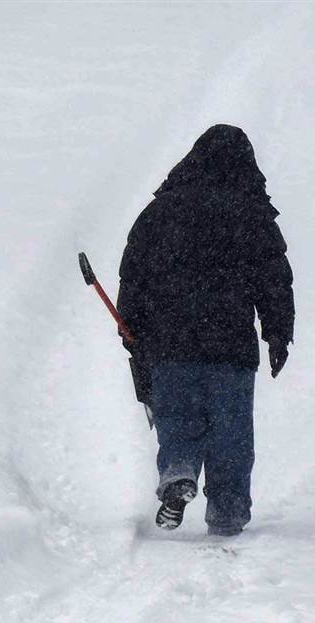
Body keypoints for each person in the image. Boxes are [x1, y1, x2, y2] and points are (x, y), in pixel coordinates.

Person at [116, 124, 294, 536]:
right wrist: (277, 333)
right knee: (231, 432)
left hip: (171, 342)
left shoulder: (162, 211)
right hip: (231, 345)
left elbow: (135, 272)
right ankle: (228, 509)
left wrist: (132, 327)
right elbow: (274, 279)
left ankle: (178, 471)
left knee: (177, 417)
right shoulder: (253, 214)